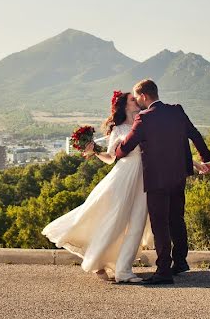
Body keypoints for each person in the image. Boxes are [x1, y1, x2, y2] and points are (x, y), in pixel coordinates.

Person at [41, 91, 152, 283]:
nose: (137, 100)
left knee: (137, 224)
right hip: (124, 177)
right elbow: (110, 159)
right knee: (114, 222)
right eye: (133, 99)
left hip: (144, 177)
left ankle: (123, 271)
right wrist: (95, 153)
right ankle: (98, 262)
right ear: (125, 105)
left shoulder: (145, 122)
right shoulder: (118, 130)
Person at [114, 78, 210, 285]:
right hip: (179, 175)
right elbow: (195, 135)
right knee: (176, 219)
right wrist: (207, 159)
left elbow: (127, 146)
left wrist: (115, 151)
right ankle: (180, 263)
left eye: (137, 98)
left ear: (143, 96)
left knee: (160, 224)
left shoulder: (144, 119)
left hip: (157, 179)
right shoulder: (177, 111)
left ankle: (163, 272)